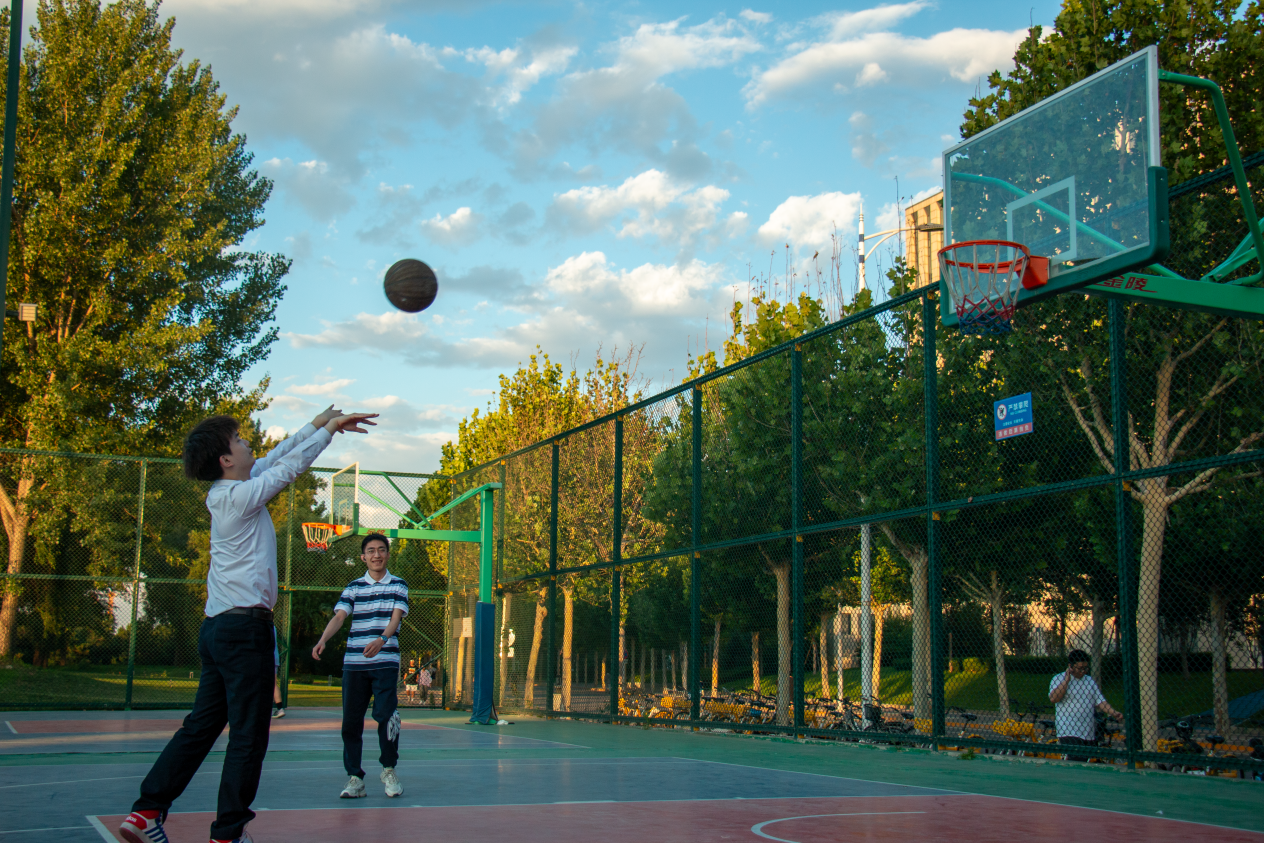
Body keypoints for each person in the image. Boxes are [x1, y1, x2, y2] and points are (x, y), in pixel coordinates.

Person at [119, 406, 377, 843]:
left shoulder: (230, 491)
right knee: (248, 737)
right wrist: (330, 432)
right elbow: (289, 468)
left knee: (200, 727)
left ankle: (145, 812)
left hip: (219, 630)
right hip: (244, 632)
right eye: (238, 440)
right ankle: (228, 834)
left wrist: (316, 424)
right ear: (225, 460)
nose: (247, 443)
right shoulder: (239, 498)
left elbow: (276, 456)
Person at [312, 533, 410, 799]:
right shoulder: (353, 587)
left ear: (387, 554)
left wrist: (381, 640)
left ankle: (388, 769)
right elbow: (339, 616)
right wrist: (322, 640)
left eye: (381, 550)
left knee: (386, 716)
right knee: (351, 722)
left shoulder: (399, 585)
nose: (376, 555)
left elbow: (396, 618)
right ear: (363, 557)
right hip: (354, 665)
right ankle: (355, 778)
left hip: (385, 662)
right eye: (371, 551)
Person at [1048, 648, 1123, 762]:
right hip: (1068, 730)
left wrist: (1113, 712)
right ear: (1070, 666)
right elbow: (1054, 698)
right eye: (1079, 668)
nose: (1083, 671)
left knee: (1088, 761)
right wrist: (1066, 680)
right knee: (1076, 759)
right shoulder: (1058, 679)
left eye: (1085, 668)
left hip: (1087, 731)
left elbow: (1100, 701)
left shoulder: (1089, 681)